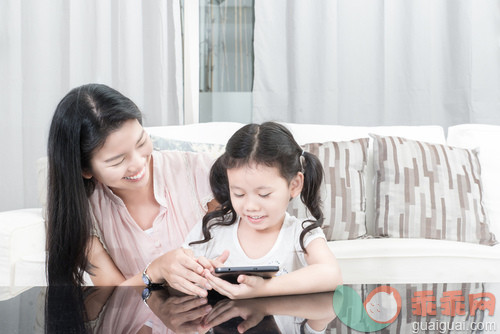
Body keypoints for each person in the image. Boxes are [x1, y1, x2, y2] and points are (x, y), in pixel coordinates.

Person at [46, 83, 223, 296]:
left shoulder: (201, 172)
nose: (138, 164)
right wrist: (155, 271)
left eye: (141, 142)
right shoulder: (84, 213)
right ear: (85, 169)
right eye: (117, 161)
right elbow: (112, 300)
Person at [183, 122, 342, 299]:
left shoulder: (302, 232)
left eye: (264, 194)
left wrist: (263, 289)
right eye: (239, 194)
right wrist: (200, 273)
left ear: (294, 185)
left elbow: (331, 274)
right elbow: (178, 274)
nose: (251, 206)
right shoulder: (213, 228)